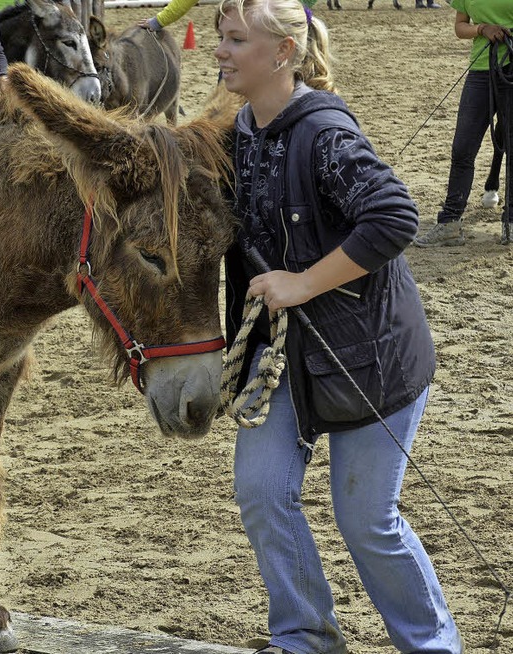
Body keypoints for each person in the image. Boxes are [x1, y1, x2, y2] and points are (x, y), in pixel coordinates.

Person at [215, 0, 463, 652]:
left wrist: (300, 284)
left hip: (373, 359)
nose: (219, 51)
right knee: (262, 493)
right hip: (284, 363)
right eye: (220, 37)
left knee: (366, 521)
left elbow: (393, 217)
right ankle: (306, 639)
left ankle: (433, 645)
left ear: (282, 55)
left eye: (236, 40)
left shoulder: (325, 135)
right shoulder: (235, 133)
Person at [414, 0, 513, 247]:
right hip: (480, 71)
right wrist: (482, 29)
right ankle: (450, 222)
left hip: (511, 66)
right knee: (462, 148)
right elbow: (460, 27)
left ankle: (510, 220)